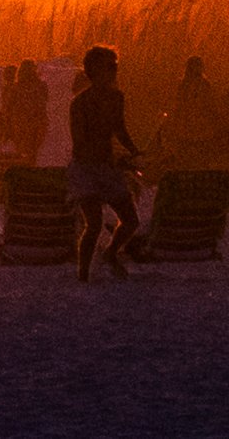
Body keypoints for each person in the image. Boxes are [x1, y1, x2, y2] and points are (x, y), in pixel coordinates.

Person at [68, 45, 142, 282]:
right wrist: (106, 155)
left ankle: (110, 252)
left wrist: (133, 151)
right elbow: (79, 142)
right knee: (94, 224)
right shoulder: (79, 103)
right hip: (86, 169)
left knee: (131, 221)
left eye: (115, 66)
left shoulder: (117, 98)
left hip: (107, 168)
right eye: (110, 66)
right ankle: (83, 274)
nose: (114, 70)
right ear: (94, 70)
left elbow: (119, 129)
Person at [157, 56, 229, 171]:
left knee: (188, 155)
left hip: (189, 124)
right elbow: (209, 104)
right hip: (196, 125)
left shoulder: (186, 84)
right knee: (196, 155)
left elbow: (178, 104)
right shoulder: (199, 84)